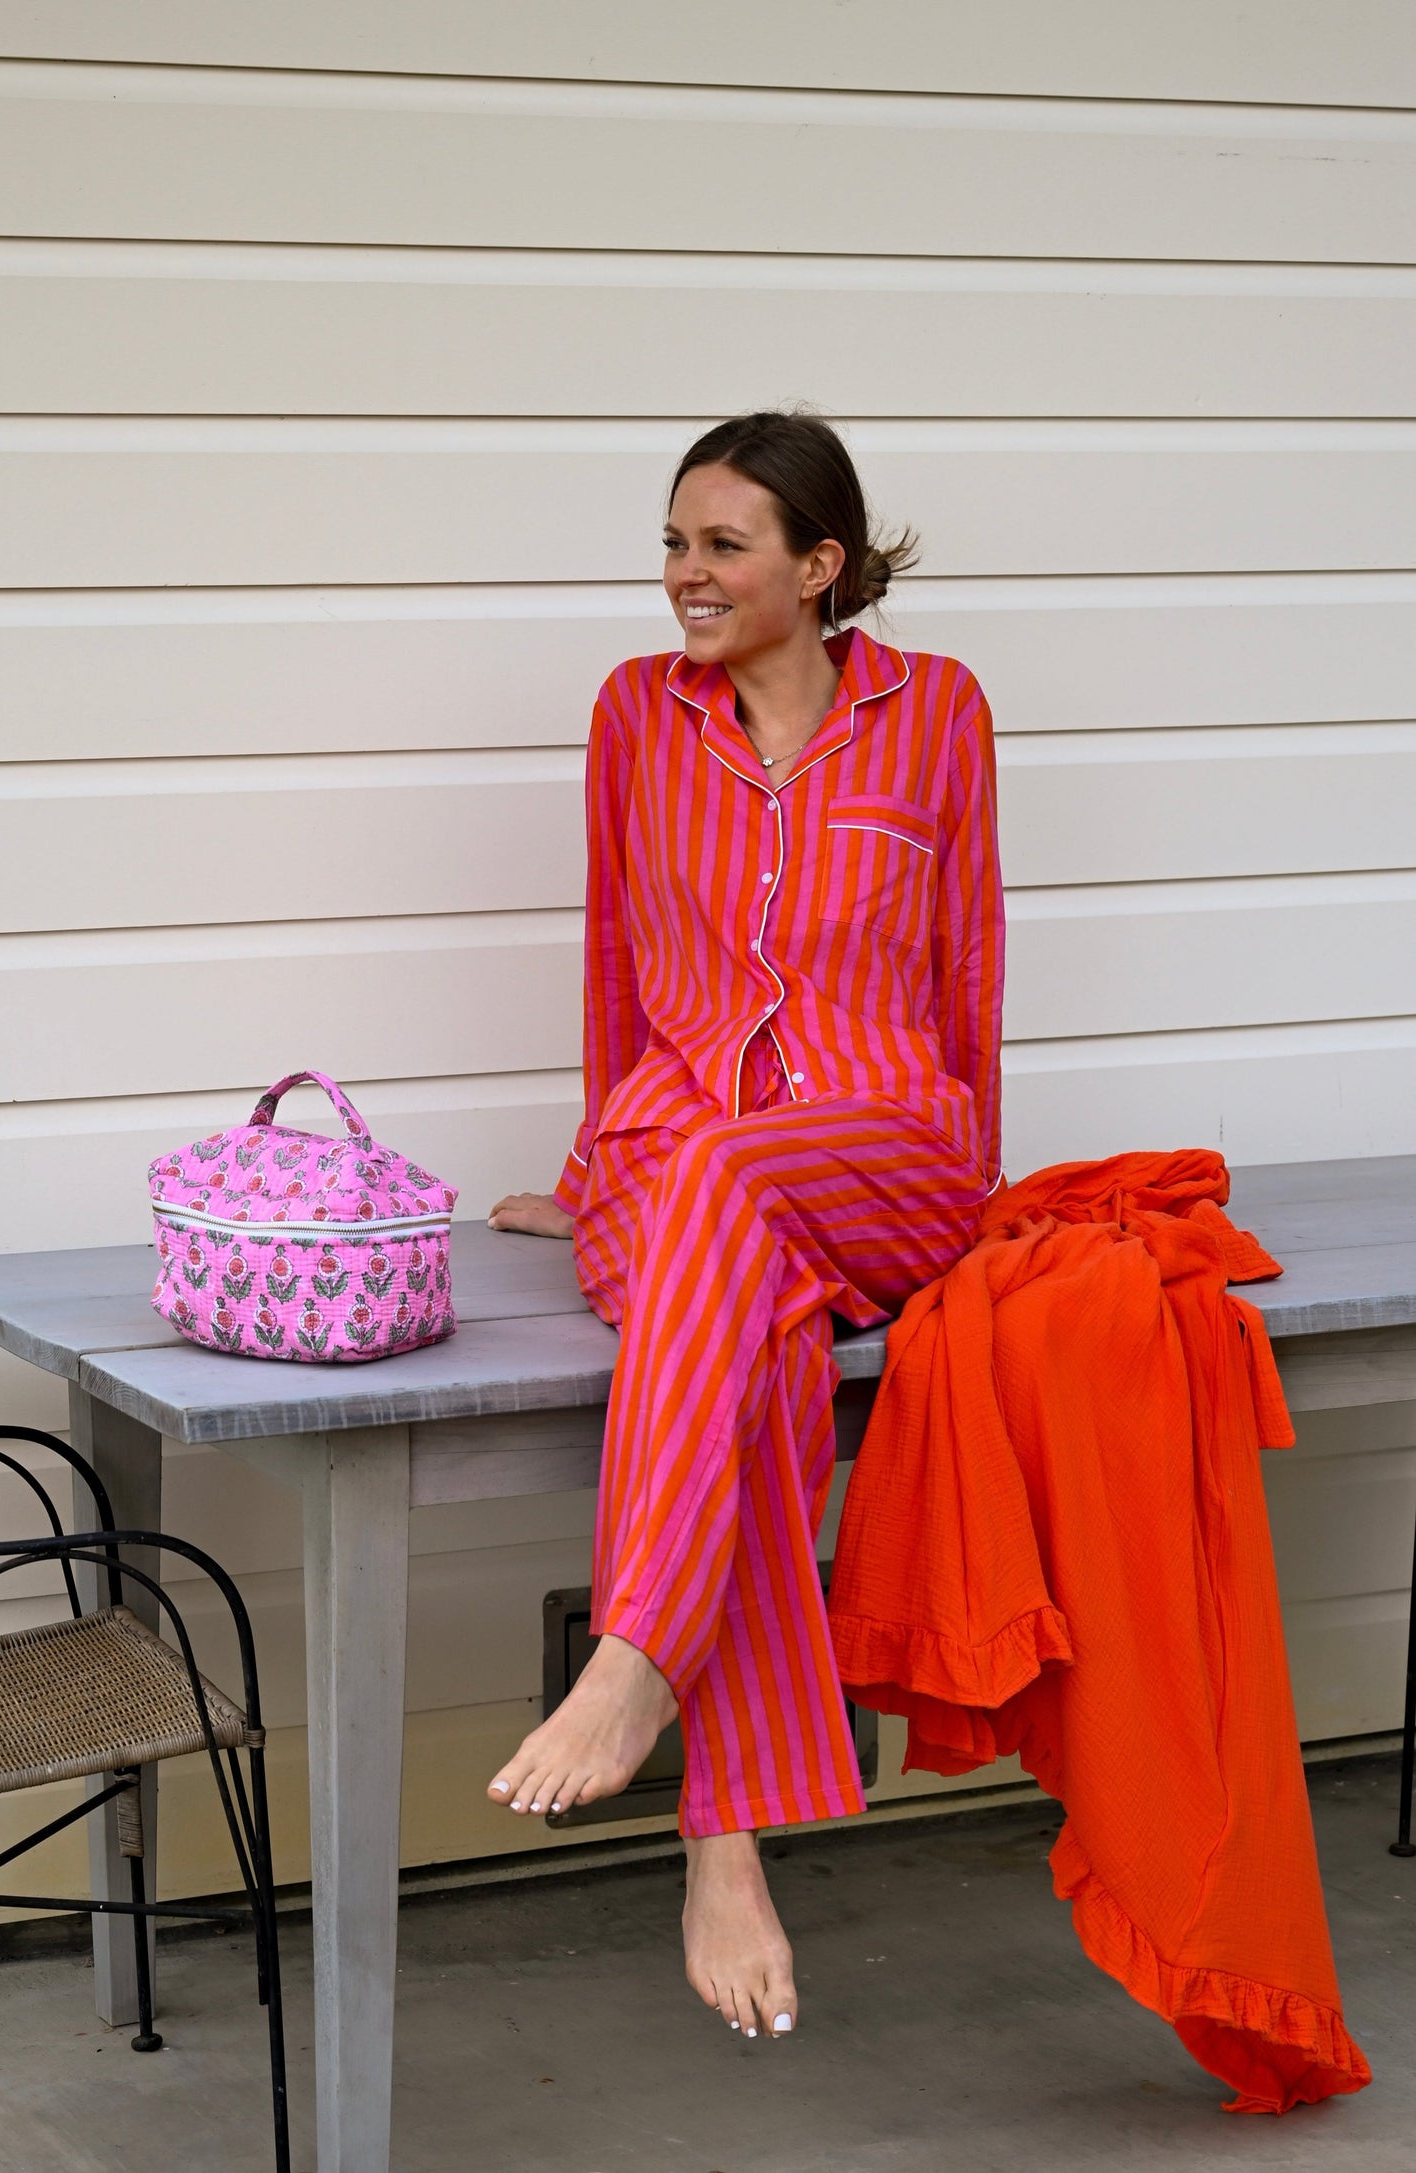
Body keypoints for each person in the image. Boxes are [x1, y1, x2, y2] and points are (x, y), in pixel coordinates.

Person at [484, 409, 1004, 2042]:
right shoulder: (637, 714)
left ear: (818, 565)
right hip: (683, 1145)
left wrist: (967, 1181)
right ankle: (726, 1835)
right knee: (753, 1323)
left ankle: (641, 1657)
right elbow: (615, 970)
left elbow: (965, 972)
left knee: (726, 1197)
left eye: (719, 545)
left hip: (882, 1143)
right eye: (672, 542)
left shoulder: (938, 715)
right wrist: (591, 1173)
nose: (681, 576)